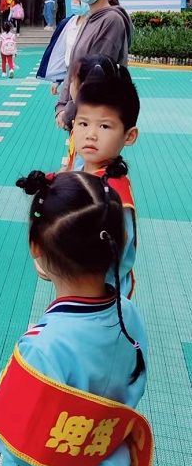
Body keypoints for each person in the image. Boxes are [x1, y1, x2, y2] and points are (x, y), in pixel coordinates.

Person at [0, 170, 156, 466]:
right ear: (117, 244)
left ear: (36, 248)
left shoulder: (41, 348)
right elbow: (134, 385)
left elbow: (10, 433)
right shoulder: (128, 315)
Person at [70, 58, 140, 297]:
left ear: (129, 136)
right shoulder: (83, 168)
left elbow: (114, 255)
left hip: (102, 297)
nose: (91, 134)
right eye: (83, 123)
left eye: (105, 126)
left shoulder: (114, 195)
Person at [55, 0, 132, 131]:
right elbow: (74, 68)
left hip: (95, 115)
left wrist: (69, 112)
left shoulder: (111, 20)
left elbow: (95, 74)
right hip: (81, 113)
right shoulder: (90, 18)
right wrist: (61, 105)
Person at [36, 0, 88, 95]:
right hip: (70, 77)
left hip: (86, 79)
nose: (74, 2)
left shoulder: (94, 24)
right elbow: (62, 51)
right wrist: (57, 80)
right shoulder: (68, 23)